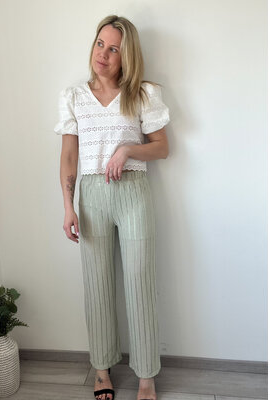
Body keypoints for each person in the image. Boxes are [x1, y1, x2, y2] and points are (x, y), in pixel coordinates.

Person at [54, 15, 170, 400]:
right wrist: (68, 206)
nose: (103, 54)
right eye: (100, 44)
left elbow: (162, 147)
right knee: (97, 285)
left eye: (114, 49)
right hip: (91, 195)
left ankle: (146, 377)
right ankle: (101, 370)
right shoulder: (74, 97)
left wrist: (127, 149)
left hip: (133, 192)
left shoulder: (142, 93)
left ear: (126, 56)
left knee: (140, 283)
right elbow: (69, 156)